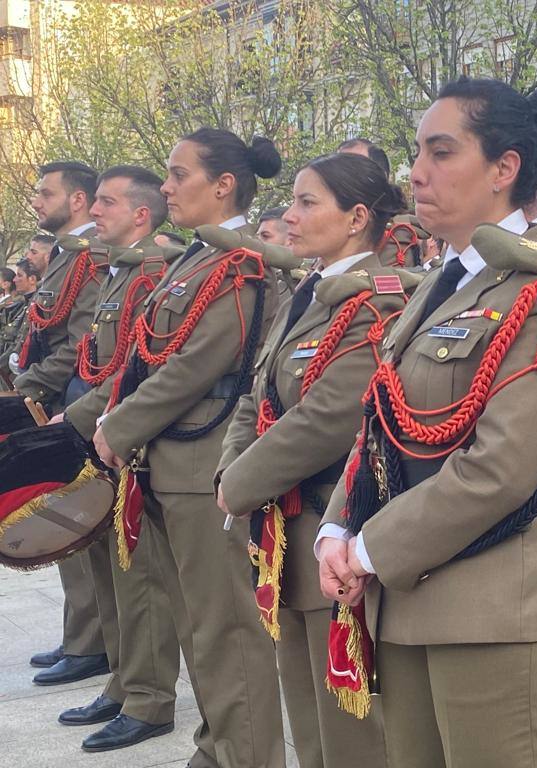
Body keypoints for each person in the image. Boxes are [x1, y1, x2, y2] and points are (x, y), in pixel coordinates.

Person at [316, 76, 537, 768]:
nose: (417, 172)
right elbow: (382, 421)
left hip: (500, 605)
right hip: (409, 594)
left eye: (441, 152)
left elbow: (503, 468)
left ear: (505, 168)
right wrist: (337, 525)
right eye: (417, 152)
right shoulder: (443, 284)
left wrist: (369, 547)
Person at [91, 128, 287, 768]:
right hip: (171, 464)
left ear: (223, 184)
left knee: (227, 628)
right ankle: (218, 745)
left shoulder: (242, 262)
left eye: (178, 175)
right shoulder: (193, 259)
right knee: (195, 627)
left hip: (207, 465)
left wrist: (118, 424)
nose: (167, 187)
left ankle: (246, 755)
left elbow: (196, 364)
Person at [217, 152, 407, 768]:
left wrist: (237, 484)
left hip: (332, 526)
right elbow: (257, 394)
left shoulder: (377, 303)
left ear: (356, 217)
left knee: (351, 731)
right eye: (291, 202)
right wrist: (231, 469)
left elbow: (326, 419)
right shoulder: (311, 291)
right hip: (283, 534)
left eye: (306, 202)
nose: (288, 217)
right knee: (308, 719)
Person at [57, 165, 181, 752]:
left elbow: (134, 371)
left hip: (127, 441)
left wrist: (80, 423)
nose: (95, 211)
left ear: (140, 214)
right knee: (111, 572)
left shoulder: (149, 276)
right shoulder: (119, 275)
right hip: (103, 435)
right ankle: (124, 681)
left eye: (106, 202)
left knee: (141, 580)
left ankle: (150, 697)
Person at [16, 161, 109, 686]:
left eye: (43, 192)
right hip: (52, 401)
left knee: (78, 527)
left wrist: (25, 387)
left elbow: (78, 347)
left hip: (71, 402)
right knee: (62, 526)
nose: (35, 200)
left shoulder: (91, 257)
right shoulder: (65, 256)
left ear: (76, 200)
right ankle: (81, 636)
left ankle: (91, 643)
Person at [0, 260, 37, 386]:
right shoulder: (25, 304)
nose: (14, 280)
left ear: (32, 279)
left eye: (19, 275)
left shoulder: (32, 304)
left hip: (23, 371)